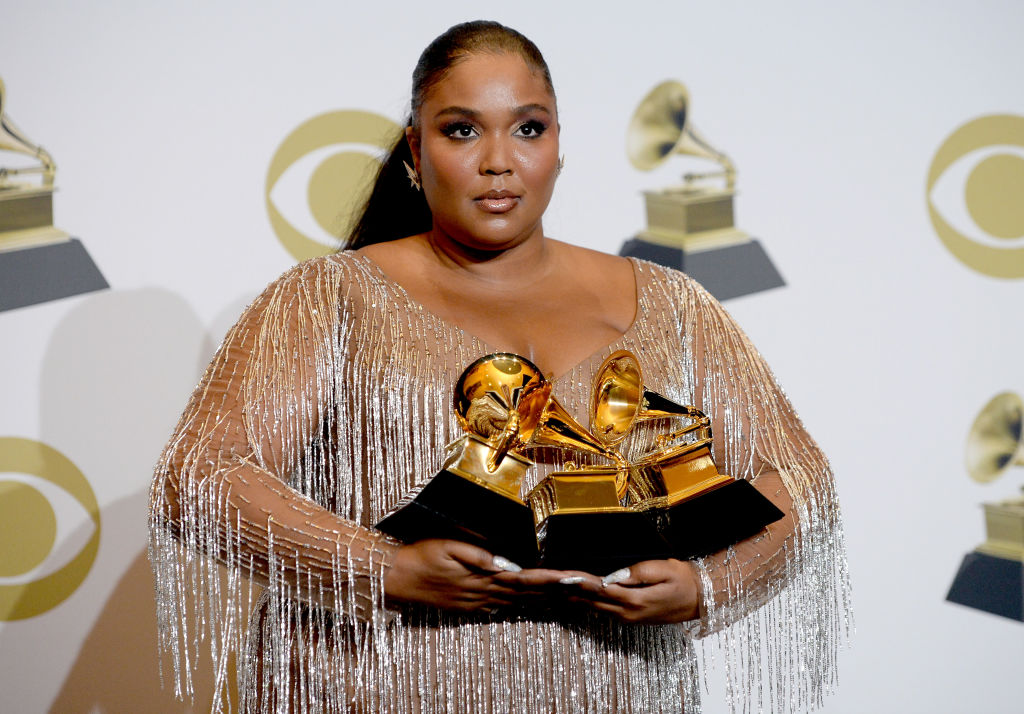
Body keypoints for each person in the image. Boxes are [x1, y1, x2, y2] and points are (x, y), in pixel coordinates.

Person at [149, 20, 849, 714]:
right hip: (367, 690)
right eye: (461, 130)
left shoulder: (670, 302)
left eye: (528, 128)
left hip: (613, 693)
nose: (498, 161)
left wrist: (705, 585)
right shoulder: (328, 296)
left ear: (559, 149)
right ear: (414, 155)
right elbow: (198, 477)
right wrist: (386, 570)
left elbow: (801, 481)